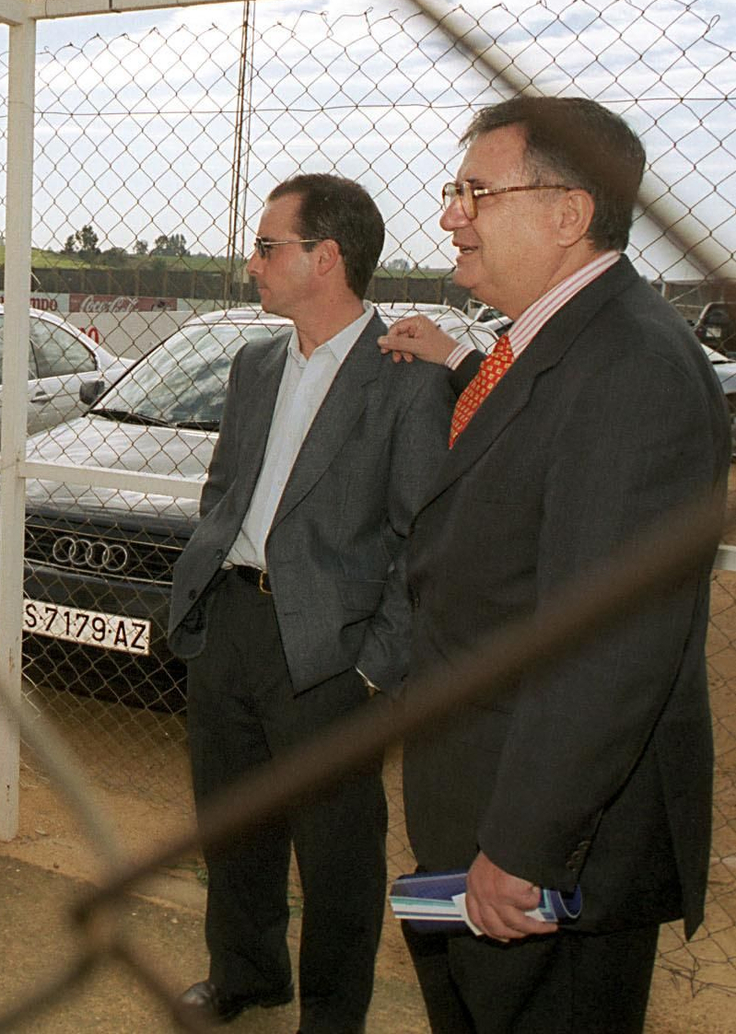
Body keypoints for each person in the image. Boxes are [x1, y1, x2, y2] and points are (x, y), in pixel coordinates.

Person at [383, 96, 726, 1033]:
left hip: (544, 856)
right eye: (456, 191)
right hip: (482, 804)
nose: (452, 213)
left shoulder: (633, 369)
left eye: (476, 192)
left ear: (569, 214)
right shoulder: (552, 340)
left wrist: (526, 846)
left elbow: (611, 642)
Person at [167, 174, 454, 1033]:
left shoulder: (404, 376)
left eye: (267, 247)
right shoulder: (255, 363)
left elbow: (422, 538)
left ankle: (333, 1015)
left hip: (331, 650)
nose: (252, 263)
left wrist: (373, 667)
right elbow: (225, 491)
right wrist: (206, 600)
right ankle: (247, 974)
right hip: (233, 625)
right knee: (232, 825)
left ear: (324, 258)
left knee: (337, 859)